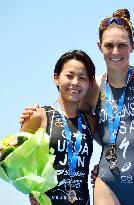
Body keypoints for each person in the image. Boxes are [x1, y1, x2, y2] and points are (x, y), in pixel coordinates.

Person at [20, 9, 134, 205]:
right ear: (100, 47)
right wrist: (35, 114)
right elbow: (71, 118)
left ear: (132, 46)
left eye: (122, 45)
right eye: (109, 45)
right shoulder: (93, 88)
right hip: (107, 181)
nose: (115, 51)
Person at [22, 50, 96, 205]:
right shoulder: (38, 116)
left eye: (82, 78)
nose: (75, 82)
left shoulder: (90, 121)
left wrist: (101, 171)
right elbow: (18, 160)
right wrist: (31, 189)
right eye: (69, 76)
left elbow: (112, 145)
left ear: (89, 84)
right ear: (56, 78)